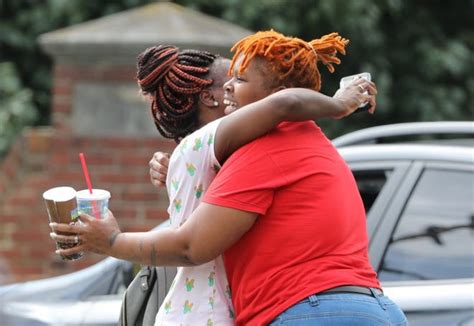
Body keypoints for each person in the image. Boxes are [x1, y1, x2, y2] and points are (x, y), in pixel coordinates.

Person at [50, 30, 406, 325]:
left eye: (241, 78)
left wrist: (111, 241)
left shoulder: (264, 148)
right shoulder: (311, 141)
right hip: (376, 309)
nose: (229, 89)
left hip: (312, 311)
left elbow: (192, 247)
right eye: (230, 77)